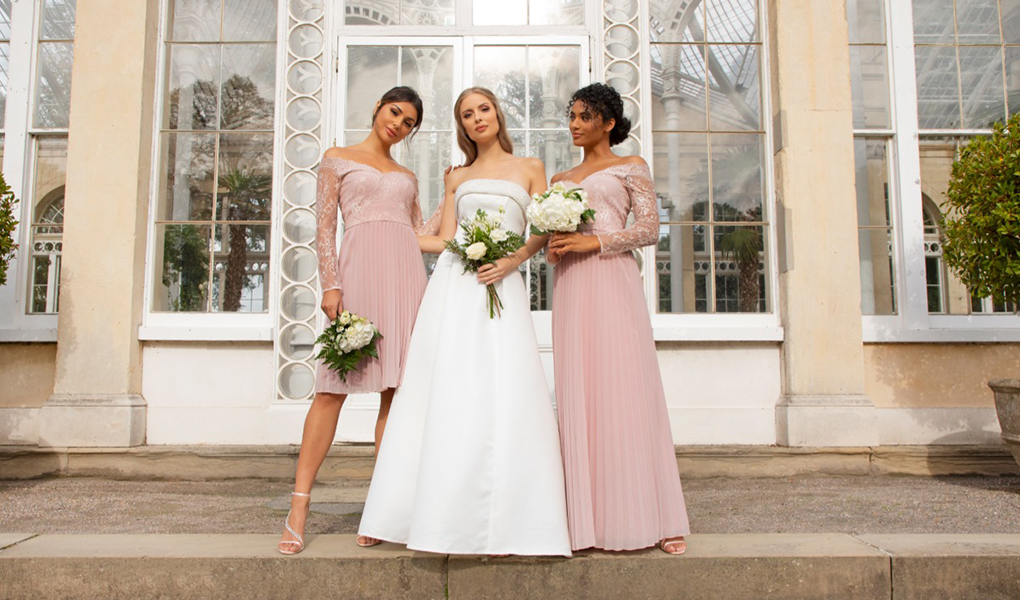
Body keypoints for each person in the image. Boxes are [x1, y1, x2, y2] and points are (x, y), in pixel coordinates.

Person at [356, 87, 571, 557]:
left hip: (503, 286)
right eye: (467, 114)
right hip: (454, 289)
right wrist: (384, 233)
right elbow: (444, 239)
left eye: (484, 109)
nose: (477, 119)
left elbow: (543, 230)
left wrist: (512, 260)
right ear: (462, 125)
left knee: (503, 390)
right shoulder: (458, 176)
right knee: (440, 391)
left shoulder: (531, 168)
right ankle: (401, 513)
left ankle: (508, 518)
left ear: (498, 114)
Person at [278, 86, 441, 555]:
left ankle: (383, 510)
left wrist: (449, 195)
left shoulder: (407, 173)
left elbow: (418, 234)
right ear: (377, 107)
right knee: (330, 392)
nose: (399, 124)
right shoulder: (337, 158)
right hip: (358, 279)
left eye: (409, 122)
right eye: (395, 112)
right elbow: (324, 227)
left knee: (396, 395)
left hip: (406, 282)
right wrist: (331, 285)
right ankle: (299, 508)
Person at [547, 82, 691, 555]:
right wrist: (558, 247)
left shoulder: (632, 166)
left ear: (608, 123)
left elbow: (649, 229)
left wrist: (597, 242)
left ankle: (657, 516)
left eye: (584, 116)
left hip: (613, 280)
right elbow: (553, 240)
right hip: (571, 286)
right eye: (571, 115)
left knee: (627, 389)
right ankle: (584, 521)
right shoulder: (558, 180)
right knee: (580, 391)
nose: (574, 123)